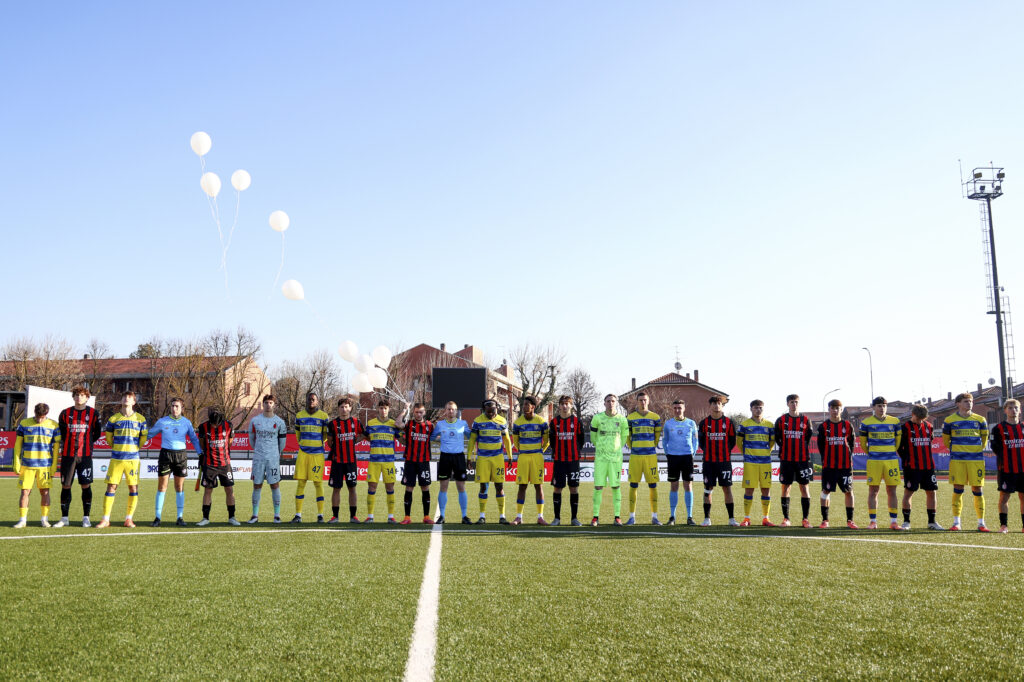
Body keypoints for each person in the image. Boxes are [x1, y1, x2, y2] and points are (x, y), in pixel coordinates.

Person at [148, 397, 203, 527]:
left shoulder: (187, 423)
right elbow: (149, 435)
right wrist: (135, 438)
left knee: (179, 487)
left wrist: (200, 453)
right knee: (162, 487)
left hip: (181, 456)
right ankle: (157, 517)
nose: (174, 408)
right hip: (165, 455)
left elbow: (194, 439)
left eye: (177, 406)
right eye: (172, 406)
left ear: (182, 408)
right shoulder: (162, 422)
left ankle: (180, 517)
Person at [97, 391, 148, 528]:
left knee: (133, 487)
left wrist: (135, 448)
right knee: (111, 487)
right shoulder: (113, 419)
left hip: (133, 460)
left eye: (130, 397)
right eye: (124, 397)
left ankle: (129, 519)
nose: (126, 399)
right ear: (121, 400)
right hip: (117, 459)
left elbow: (143, 438)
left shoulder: (140, 419)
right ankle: (106, 519)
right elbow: (108, 438)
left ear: (134, 402)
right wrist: (115, 447)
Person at [942, 392, 990, 532]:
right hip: (958, 461)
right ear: (958, 403)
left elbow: (984, 437)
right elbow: (946, 440)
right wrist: (957, 449)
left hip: (976, 461)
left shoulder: (980, 419)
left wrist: (976, 450)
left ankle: (981, 523)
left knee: (978, 490)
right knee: (958, 489)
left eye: (970, 401)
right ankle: (956, 523)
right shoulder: (950, 420)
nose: (969, 403)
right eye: (965, 401)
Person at [55, 387, 102, 528]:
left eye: (82, 395)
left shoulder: (93, 413)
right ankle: (64, 518)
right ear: (73, 397)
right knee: (66, 485)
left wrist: (86, 443)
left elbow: (97, 433)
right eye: (76, 395)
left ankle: (86, 517)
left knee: (85, 485)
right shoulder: (65, 413)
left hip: (85, 455)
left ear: (87, 398)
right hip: (68, 455)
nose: (79, 397)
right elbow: (63, 434)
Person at [12, 403, 60, 528]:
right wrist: (16, 462)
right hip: (27, 465)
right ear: (34, 413)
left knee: (45, 492)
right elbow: (18, 444)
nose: (39, 419)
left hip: (45, 465)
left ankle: (44, 520)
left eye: (42, 417)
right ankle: (22, 520)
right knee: (25, 492)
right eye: (38, 416)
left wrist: (54, 466)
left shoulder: (54, 425)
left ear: (46, 414)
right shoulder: (24, 424)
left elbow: (56, 448)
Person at [859, 396, 903, 530]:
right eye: (879, 406)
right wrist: (872, 453)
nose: (881, 408)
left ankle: (894, 522)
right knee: (873, 491)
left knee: (892, 491)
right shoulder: (866, 423)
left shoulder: (894, 421)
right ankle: (873, 521)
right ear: (873, 407)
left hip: (891, 461)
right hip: (874, 461)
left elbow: (898, 441)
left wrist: (890, 452)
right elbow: (863, 443)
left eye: (884, 406)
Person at [468, 398, 513, 524]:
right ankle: (482, 516)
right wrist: (469, 457)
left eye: (493, 410)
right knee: (483, 486)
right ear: (484, 410)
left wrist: (510, 457)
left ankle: (502, 516)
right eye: (488, 412)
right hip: (482, 459)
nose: (491, 414)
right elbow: (472, 440)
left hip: (497, 458)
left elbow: (507, 440)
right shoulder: (477, 421)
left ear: (496, 409)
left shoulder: (502, 421)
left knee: (499, 486)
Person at [898, 404, 942, 530]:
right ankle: (906, 522)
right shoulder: (905, 427)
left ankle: (932, 522)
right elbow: (899, 447)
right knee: (908, 493)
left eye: (923, 419)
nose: (920, 421)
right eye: (918, 419)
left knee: (932, 492)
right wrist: (906, 459)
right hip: (911, 467)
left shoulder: (929, 426)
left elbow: (930, 441)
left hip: (928, 466)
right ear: (913, 414)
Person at [816, 399, 857, 529]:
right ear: (829, 410)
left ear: (840, 409)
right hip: (829, 466)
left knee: (849, 492)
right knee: (826, 491)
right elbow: (821, 446)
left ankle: (850, 520)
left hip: (845, 466)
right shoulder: (823, 427)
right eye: (832, 408)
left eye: (837, 408)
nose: (835, 410)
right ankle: (825, 520)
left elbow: (851, 443)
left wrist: (847, 457)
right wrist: (826, 459)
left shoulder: (848, 425)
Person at [774, 394, 814, 528]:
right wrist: (785, 448)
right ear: (787, 404)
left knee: (804, 487)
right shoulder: (781, 420)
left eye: (796, 402)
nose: (794, 404)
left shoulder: (806, 420)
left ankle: (805, 519)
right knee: (786, 487)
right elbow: (778, 438)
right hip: (786, 459)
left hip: (802, 459)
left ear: (799, 403)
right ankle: (786, 518)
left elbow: (807, 437)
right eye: (792, 402)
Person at [698, 395, 738, 527]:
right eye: (714, 403)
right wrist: (709, 451)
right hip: (709, 462)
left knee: (727, 488)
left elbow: (732, 441)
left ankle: (731, 519)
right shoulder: (704, 423)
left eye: (719, 403)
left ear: (722, 405)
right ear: (710, 406)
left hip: (724, 461)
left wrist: (724, 451)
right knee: (708, 488)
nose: (716, 406)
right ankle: (707, 518)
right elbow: (701, 442)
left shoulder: (729, 422)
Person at [247, 395, 287, 523]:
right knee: (257, 485)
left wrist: (275, 453)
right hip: (258, 458)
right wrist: (259, 450)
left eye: (271, 403)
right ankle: (254, 515)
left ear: (274, 405)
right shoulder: (254, 421)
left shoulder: (280, 422)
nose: (268, 405)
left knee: (275, 485)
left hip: (273, 459)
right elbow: (252, 440)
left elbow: (282, 443)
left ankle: (277, 515)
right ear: (262, 404)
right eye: (266, 402)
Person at [590, 394, 629, 526]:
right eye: (608, 401)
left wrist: (615, 449)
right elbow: (593, 438)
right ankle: (595, 517)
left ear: (616, 403)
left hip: (615, 459)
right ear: (604, 403)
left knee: (616, 486)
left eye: (613, 401)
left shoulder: (622, 419)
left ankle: (617, 517)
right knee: (598, 486)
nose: (611, 403)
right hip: (601, 459)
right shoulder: (597, 418)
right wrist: (601, 448)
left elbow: (624, 438)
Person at [430, 401, 471, 524]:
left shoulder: (463, 423)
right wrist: (441, 440)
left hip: (459, 457)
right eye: (448, 409)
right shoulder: (440, 424)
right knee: (443, 487)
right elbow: (432, 437)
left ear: (456, 410)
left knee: (461, 487)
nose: (451, 411)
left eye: (453, 409)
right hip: (445, 457)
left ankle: (464, 516)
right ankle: (441, 516)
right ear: (445, 411)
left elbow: (471, 437)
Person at [324, 397, 364, 523]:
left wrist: (353, 441)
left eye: (346, 407)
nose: (344, 409)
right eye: (341, 407)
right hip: (337, 462)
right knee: (336, 488)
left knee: (352, 488)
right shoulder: (333, 424)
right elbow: (329, 442)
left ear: (350, 408)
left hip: (351, 461)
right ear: (338, 409)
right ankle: (335, 516)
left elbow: (363, 434)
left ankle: (353, 516)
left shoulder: (356, 422)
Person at [625, 391, 663, 525]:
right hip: (635, 456)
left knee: (653, 485)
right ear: (637, 401)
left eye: (645, 400)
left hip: (650, 456)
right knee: (633, 485)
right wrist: (633, 447)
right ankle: (631, 517)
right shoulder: (630, 418)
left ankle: (654, 517)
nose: (643, 402)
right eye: (640, 400)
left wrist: (651, 446)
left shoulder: (655, 417)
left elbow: (657, 437)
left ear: (648, 401)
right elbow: (627, 437)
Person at [196, 409, 238, 526]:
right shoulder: (203, 426)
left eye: (217, 424)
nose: (215, 425)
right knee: (208, 490)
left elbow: (230, 442)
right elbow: (202, 443)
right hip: (209, 464)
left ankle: (232, 517)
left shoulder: (228, 425)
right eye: (213, 424)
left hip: (225, 464)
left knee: (229, 490)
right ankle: (205, 518)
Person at [291, 392, 329, 523]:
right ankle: (298, 515)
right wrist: (303, 444)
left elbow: (325, 435)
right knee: (301, 483)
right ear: (306, 400)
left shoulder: (324, 416)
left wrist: (318, 444)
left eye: (313, 399)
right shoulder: (299, 415)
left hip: (317, 454)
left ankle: (320, 515)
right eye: (309, 399)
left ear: (317, 401)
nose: (311, 401)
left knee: (318, 483)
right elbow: (297, 434)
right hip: (303, 453)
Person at [512, 396, 549, 525]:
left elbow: (547, 440)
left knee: (538, 486)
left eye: (527, 404)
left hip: (537, 457)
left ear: (533, 406)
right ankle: (518, 517)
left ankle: (540, 517)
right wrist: (522, 450)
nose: (524, 407)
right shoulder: (518, 423)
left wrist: (540, 451)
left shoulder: (541, 421)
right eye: (523, 405)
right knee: (522, 486)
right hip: (523, 457)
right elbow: (515, 441)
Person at [738, 400, 776, 526]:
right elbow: (739, 442)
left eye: (760, 408)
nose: (758, 410)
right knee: (749, 490)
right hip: (750, 463)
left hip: (765, 462)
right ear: (751, 409)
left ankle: (766, 518)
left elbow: (771, 442)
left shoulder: (770, 425)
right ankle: (747, 518)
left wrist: (765, 452)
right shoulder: (744, 424)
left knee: (766, 489)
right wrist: (746, 454)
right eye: (755, 408)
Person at [661, 399, 698, 525]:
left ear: (684, 408)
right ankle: (672, 517)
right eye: (675, 408)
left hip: (687, 457)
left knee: (688, 485)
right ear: (673, 409)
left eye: (679, 408)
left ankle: (690, 517)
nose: (677, 410)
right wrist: (668, 453)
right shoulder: (668, 424)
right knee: (674, 486)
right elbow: (664, 440)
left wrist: (692, 453)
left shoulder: (691, 423)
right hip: (673, 457)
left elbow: (695, 441)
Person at [396, 402, 434, 525]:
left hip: (424, 461)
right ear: (413, 412)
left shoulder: (429, 425)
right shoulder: (409, 424)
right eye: (417, 412)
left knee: (425, 488)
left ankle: (426, 517)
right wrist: (404, 409)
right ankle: (407, 517)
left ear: (424, 412)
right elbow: (397, 423)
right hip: (410, 461)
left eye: (421, 412)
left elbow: (438, 437)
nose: (419, 414)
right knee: (409, 488)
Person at [990, 398, 1024, 533]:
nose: (1013, 410)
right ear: (1005, 410)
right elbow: (995, 447)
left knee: (1023, 497)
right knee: (1004, 497)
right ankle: (1003, 525)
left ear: (1020, 410)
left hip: (1023, 469)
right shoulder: (998, 428)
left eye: (1015, 408)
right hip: (1006, 469)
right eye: (1010, 408)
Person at [548, 395, 583, 526]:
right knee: (557, 488)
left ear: (571, 405)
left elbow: (580, 440)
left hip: (573, 461)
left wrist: (575, 451)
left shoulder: (577, 421)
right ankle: (557, 518)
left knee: (574, 488)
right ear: (559, 406)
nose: (564, 406)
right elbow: (552, 441)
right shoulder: (554, 422)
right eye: (562, 403)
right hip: (559, 461)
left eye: (567, 403)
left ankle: (574, 518)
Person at [364, 400, 400, 523]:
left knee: (390, 487)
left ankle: (391, 516)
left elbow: (402, 438)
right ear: (377, 409)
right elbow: (366, 437)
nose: (383, 410)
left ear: (389, 409)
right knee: (372, 487)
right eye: (381, 408)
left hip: (388, 461)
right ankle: (370, 516)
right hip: (374, 461)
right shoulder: (371, 423)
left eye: (385, 408)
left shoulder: (393, 424)